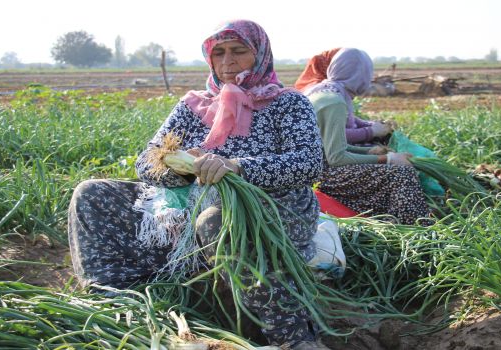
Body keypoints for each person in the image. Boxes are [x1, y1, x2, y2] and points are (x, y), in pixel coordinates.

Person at [68, 19, 330, 350]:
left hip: (270, 210)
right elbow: (147, 160)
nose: (227, 61)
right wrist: (180, 171)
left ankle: (294, 337)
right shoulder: (194, 105)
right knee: (91, 193)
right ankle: (114, 298)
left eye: (238, 51)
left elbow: (309, 164)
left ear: (261, 54)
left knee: (217, 220)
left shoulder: (287, 103)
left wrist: (236, 167)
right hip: (186, 208)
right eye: (218, 53)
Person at [305, 48, 430, 225]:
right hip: (321, 175)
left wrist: (369, 152)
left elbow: (330, 144)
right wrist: (386, 159)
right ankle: (418, 229)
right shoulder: (334, 102)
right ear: (360, 76)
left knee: (390, 167)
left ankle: (392, 219)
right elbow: (336, 157)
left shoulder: (320, 90)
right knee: (402, 173)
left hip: (314, 168)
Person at [296, 48, 393, 146]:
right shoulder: (334, 96)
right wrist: (371, 131)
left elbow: (343, 119)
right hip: (321, 153)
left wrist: (370, 124)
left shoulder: (330, 88)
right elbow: (336, 135)